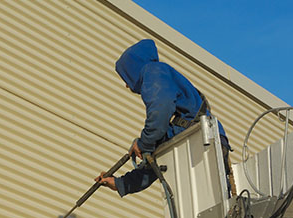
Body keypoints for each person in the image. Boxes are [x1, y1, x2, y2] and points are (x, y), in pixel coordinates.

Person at [96, 39, 230, 196]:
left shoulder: (154, 71)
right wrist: (120, 183)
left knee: (211, 202)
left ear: (133, 69)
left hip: (203, 141)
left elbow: (159, 111)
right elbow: (156, 163)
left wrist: (144, 142)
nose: (127, 85)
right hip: (197, 143)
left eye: (127, 78)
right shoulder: (176, 126)